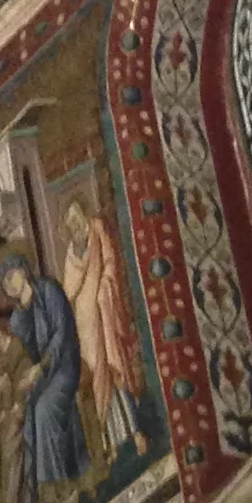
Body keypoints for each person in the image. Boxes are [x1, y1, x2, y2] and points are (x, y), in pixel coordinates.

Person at [0, 252, 87, 503]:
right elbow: (21, 357)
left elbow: (63, 332)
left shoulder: (48, 290)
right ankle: (44, 494)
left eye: (12, 276)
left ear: (23, 270)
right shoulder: (16, 319)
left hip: (65, 365)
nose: (10, 285)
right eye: (5, 284)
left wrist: (41, 367)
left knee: (44, 410)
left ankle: (58, 486)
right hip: (41, 377)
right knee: (28, 417)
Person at [60, 198, 145, 471]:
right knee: (98, 382)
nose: (75, 223)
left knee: (114, 370)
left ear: (83, 213)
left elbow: (110, 261)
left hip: (103, 314)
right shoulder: (71, 254)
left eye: (76, 216)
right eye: (70, 222)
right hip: (86, 329)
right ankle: (111, 444)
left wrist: (105, 287)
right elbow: (68, 292)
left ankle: (135, 431)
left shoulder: (97, 229)